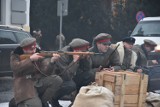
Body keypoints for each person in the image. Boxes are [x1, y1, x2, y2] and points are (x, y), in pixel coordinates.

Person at [10, 37, 63, 107]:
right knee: (35, 105)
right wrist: (30, 59)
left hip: (38, 82)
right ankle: (21, 103)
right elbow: (16, 68)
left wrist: (52, 62)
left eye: (34, 48)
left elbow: (45, 72)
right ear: (24, 49)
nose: (33, 51)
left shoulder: (38, 54)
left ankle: (42, 102)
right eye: (30, 49)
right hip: (25, 86)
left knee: (56, 79)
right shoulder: (16, 56)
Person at [50, 38, 95, 107]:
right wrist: (74, 61)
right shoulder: (62, 55)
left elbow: (87, 69)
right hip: (60, 80)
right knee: (71, 85)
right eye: (84, 51)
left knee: (90, 75)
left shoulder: (81, 54)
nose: (86, 52)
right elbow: (66, 76)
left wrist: (86, 59)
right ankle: (53, 99)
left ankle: (76, 100)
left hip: (73, 77)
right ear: (77, 50)